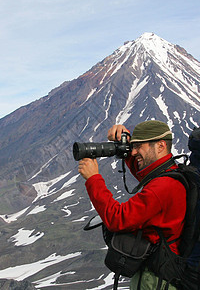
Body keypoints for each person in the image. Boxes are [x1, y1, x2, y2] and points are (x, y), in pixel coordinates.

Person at [78, 120, 186, 289]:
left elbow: (117, 219)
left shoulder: (163, 186)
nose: (133, 152)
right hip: (162, 274)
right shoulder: (171, 174)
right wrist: (124, 143)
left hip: (155, 280)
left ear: (160, 145)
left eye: (139, 146)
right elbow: (146, 174)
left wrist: (93, 179)